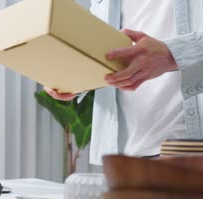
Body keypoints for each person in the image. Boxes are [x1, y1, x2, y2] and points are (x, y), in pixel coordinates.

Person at [45, 0, 203, 165]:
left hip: (191, 149)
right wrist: (69, 75)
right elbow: (102, 48)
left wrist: (172, 54)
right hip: (126, 155)